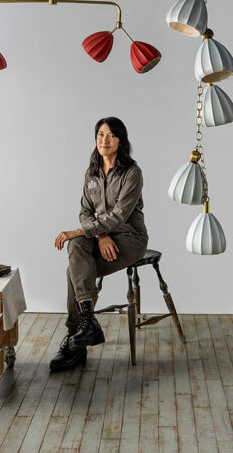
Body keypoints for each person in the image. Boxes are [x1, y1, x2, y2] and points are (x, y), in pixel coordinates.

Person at [50, 116, 148, 372]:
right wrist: (99, 235)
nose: (105, 140)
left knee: (74, 268)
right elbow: (85, 211)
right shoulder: (91, 173)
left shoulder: (132, 173)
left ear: (120, 141)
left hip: (129, 238)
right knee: (76, 250)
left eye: (111, 135)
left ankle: (76, 342)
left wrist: (81, 231)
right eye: (101, 134)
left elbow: (118, 216)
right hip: (103, 237)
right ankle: (87, 327)